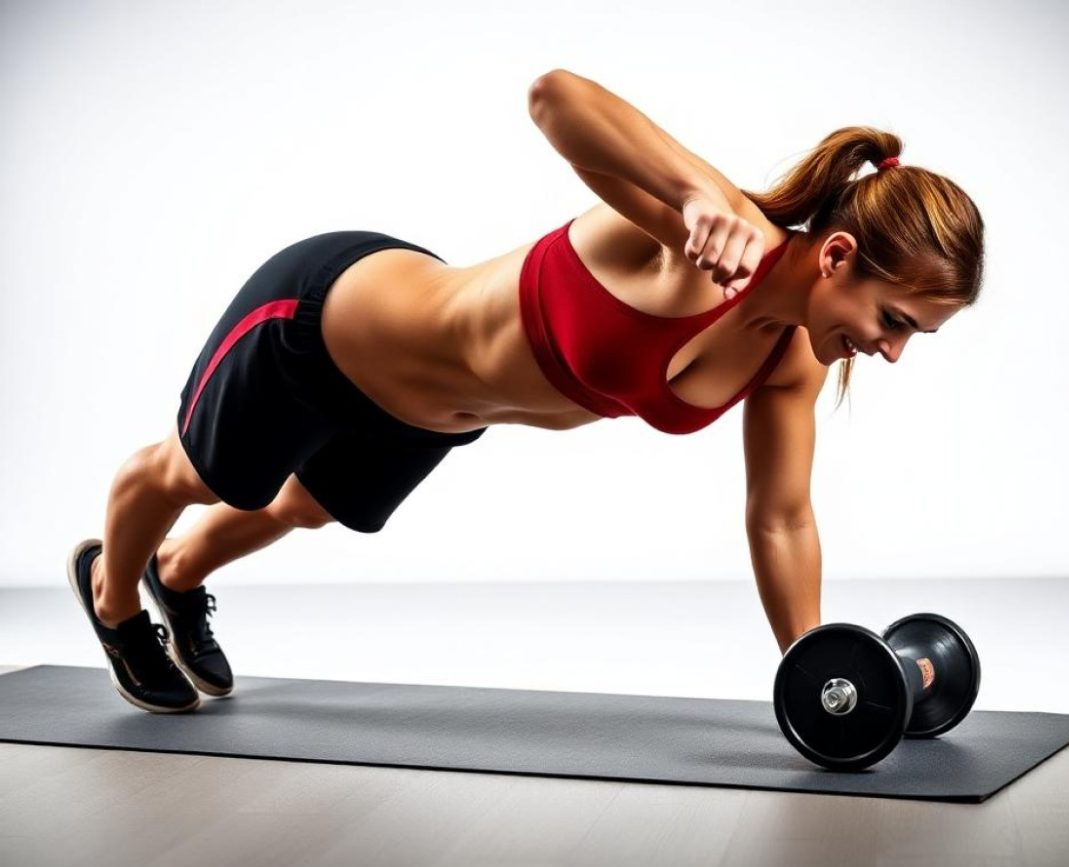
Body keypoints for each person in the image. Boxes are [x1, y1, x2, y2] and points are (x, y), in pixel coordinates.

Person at [67, 69, 985, 714]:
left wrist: (812, 668)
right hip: (321, 323)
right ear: (837, 257)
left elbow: (781, 517)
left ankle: (176, 574)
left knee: (303, 508)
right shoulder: (699, 235)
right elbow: (555, 98)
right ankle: (112, 594)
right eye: (896, 320)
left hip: (427, 412)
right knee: (196, 475)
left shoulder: (793, 359)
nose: (892, 352)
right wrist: (697, 189)